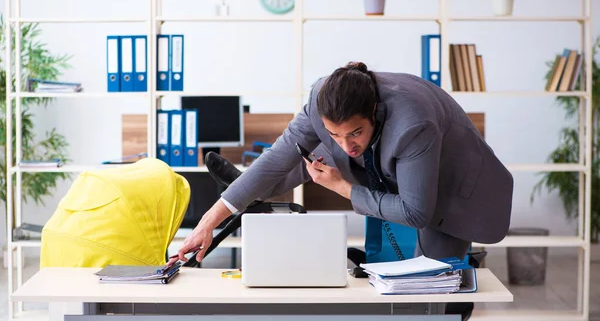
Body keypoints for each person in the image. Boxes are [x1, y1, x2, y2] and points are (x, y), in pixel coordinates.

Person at [171, 61, 514, 266]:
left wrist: (341, 187)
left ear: (374, 113)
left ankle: (256, 195)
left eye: (355, 132)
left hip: (455, 191)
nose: (347, 144)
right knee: (309, 150)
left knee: (429, 287)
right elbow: (280, 156)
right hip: (391, 162)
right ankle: (252, 193)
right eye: (337, 133)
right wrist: (208, 221)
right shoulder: (323, 101)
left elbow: (415, 213)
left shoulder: (413, 124)